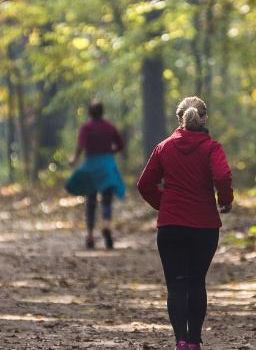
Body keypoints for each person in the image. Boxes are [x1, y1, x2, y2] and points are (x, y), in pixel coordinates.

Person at [137, 96, 233, 350]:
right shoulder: (212, 147)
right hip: (204, 227)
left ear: (179, 119)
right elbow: (222, 175)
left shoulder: (164, 148)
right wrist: (225, 200)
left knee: (176, 284)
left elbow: (144, 184)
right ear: (204, 119)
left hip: (171, 227)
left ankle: (180, 340)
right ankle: (194, 340)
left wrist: (165, 203)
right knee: (196, 281)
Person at [65, 100, 125, 249]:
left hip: (91, 166)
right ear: (102, 112)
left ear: (89, 113)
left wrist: (74, 159)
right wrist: (111, 152)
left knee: (91, 202)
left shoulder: (86, 128)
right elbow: (121, 145)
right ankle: (106, 225)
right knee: (106, 200)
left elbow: (80, 146)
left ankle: (90, 235)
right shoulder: (110, 127)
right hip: (107, 165)